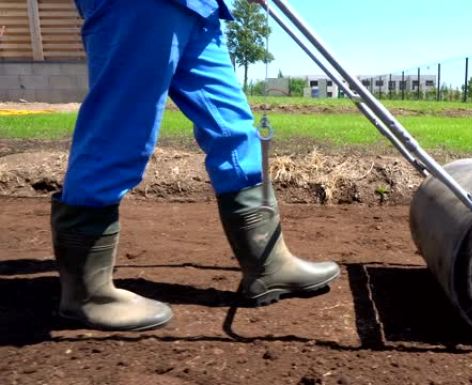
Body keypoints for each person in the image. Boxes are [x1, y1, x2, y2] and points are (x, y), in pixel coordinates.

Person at [51, 0, 340, 331]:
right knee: (120, 130)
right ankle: (88, 294)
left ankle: (269, 264)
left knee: (235, 131)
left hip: (201, 8)